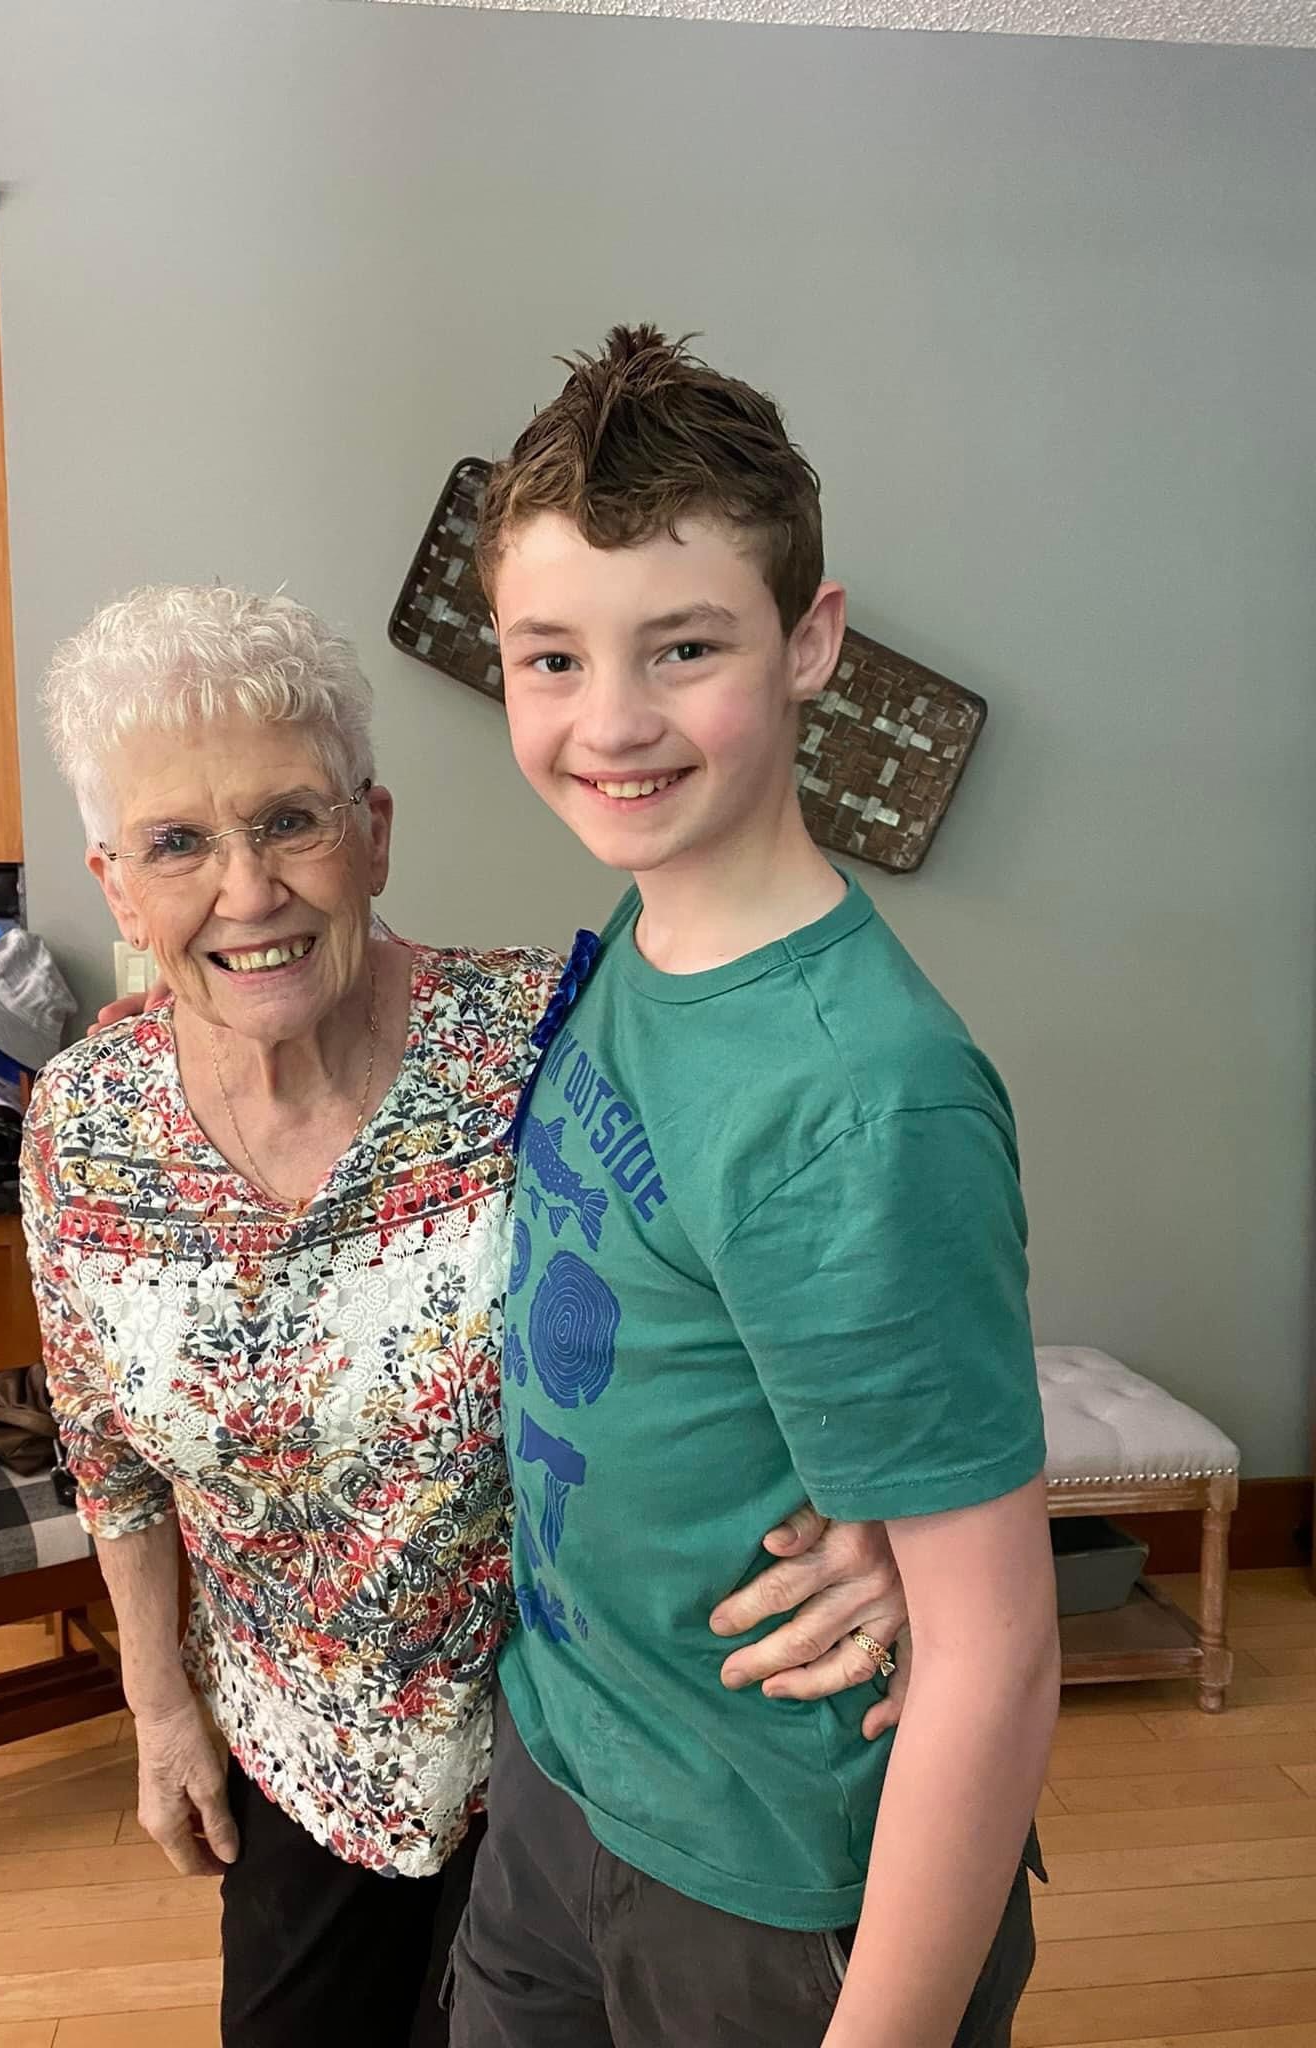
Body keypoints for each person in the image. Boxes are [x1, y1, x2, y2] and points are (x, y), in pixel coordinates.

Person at [21, 584, 914, 2048]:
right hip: (297, 1755)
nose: (247, 891)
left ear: (373, 832)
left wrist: (887, 1516)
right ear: (117, 885)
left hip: (568, 1753)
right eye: (177, 844)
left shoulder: (551, 1038)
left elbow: (819, 1234)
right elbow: (103, 1447)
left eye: (291, 821)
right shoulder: (83, 1124)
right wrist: (159, 1707)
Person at [445, 327, 1061, 2048]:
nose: (611, 723)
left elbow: (998, 1655)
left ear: (811, 641)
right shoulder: (649, 935)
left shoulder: (862, 1093)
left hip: (772, 1878)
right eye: (552, 657)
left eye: (685, 647)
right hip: (569, 1765)